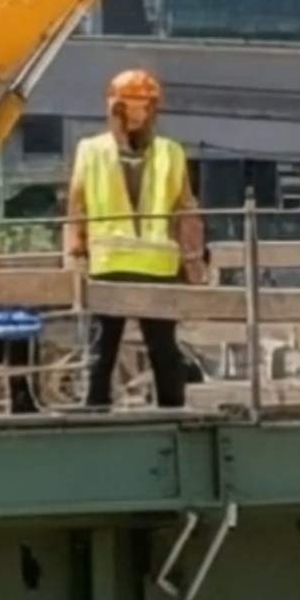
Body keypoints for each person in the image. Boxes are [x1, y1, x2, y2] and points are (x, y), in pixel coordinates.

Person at [65, 67, 206, 411]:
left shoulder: (170, 153)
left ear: (152, 109)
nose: (135, 113)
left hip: (156, 269)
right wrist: (74, 260)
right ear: (115, 108)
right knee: (102, 350)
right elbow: (76, 210)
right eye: (128, 105)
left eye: (141, 105)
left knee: (164, 351)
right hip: (109, 266)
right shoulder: (92, 150)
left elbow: (185, 211)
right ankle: (95, 411)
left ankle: (172, 412)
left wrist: (193, 263)